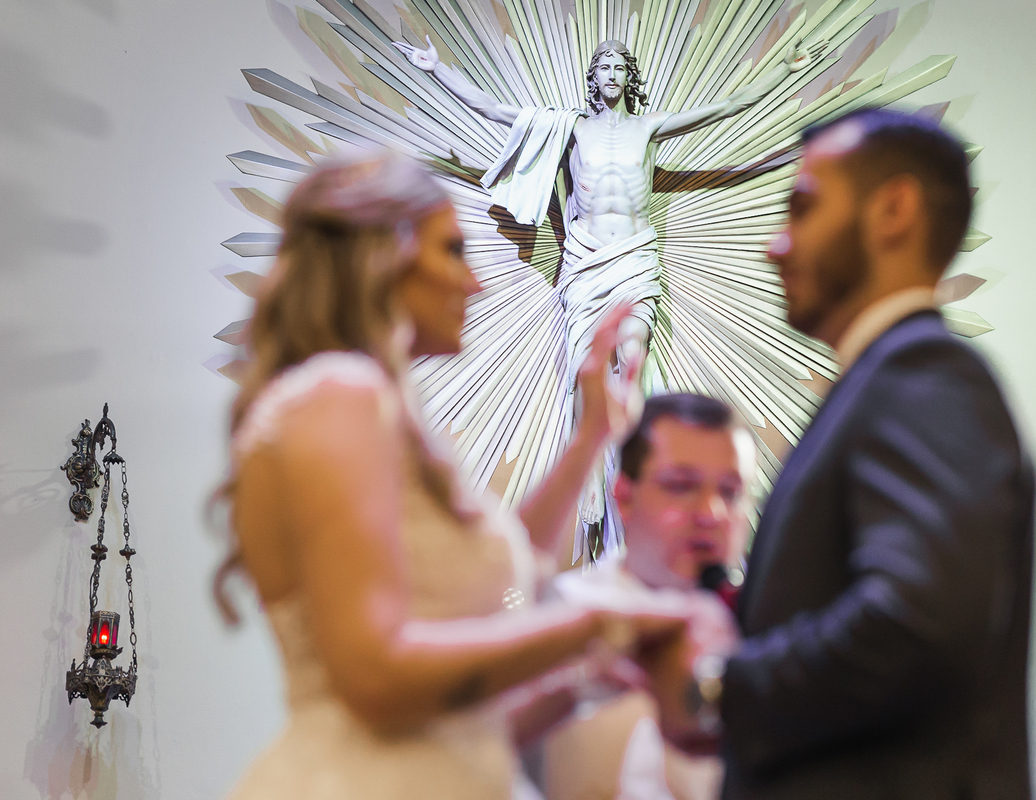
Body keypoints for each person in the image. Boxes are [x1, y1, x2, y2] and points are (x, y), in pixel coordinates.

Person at [214, 151, 686, 800]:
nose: (476, 284)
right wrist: (598, 624)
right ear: (385, 255)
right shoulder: (340, 394)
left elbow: (511, 571)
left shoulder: (371, 405)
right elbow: (377, 679)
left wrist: (591, 440)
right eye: (454, 251)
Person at [641, 108, 1036, 799]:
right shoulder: (883, 384)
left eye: (802, 207)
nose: (775, 245)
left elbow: (916, 624)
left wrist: (720, 691)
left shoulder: (924, 374)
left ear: (893, 210)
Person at [395, 35, 828, 554]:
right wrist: (436, 68)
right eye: (602, 66)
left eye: (619, 66)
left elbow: (725, 108)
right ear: (592, 77)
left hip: (635, 258)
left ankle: (634, 476)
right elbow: (492, 109)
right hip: (585, 261)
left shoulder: (649, 127)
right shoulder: (571, 129)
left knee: (631, 358)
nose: (610, 74)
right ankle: (593, 480)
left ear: (629, 77)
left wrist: (782, 72)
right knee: (587, 374)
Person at [537, 394, 752, 800]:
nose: (711, 513)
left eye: (731, 491)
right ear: (625, 498)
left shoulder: (767, 630)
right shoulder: (561, 618)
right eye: (681, 486)